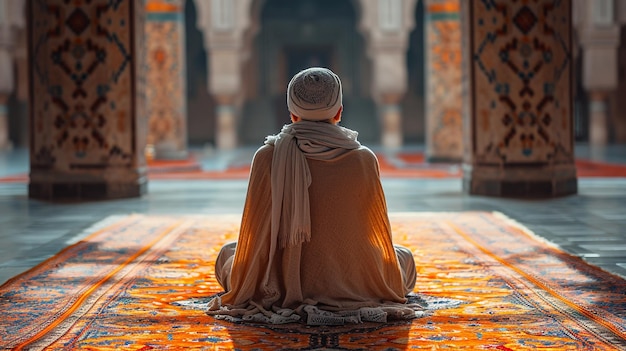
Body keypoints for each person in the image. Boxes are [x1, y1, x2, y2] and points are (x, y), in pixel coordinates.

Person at [207, 67, 418, 325]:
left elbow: (255, 233)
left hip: (276, 285)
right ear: (339, 112)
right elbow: (372, 235)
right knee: (404, 257)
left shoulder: (266, 157)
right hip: (353, 279)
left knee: (228, 255)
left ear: (292, 113)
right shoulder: (363, 159)